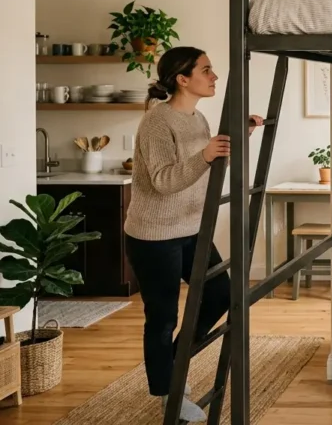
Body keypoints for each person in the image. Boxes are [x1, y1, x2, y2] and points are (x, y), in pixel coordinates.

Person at [123, 46, 262, 422]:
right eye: (206, 70)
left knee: (220, 296)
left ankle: (171, 367)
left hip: (191, 229)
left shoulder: (198, 118)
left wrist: (239, 136)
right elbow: (164, 180)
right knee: (163, 318)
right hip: (154, 236)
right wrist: (205, 155)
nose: (214, 76)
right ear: (183, 79)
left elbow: (205, 169)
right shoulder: (157, 121)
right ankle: (168, 394)